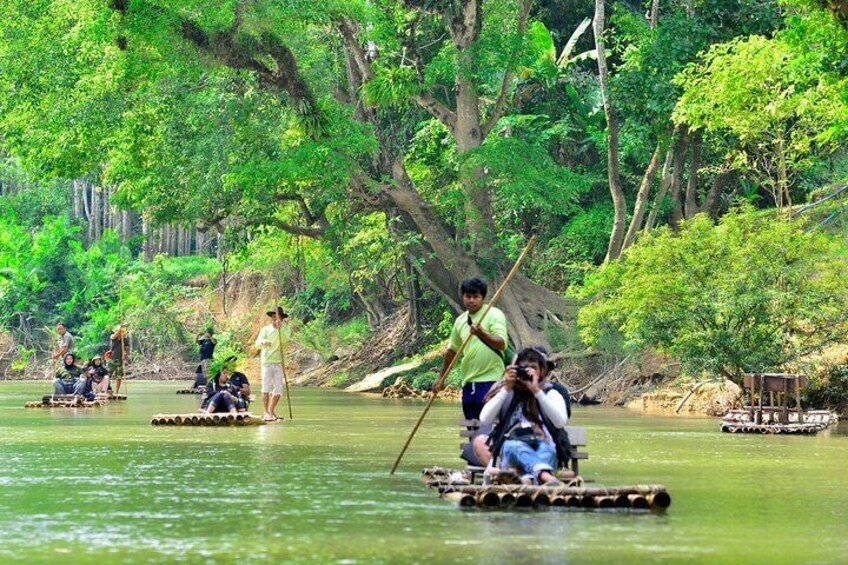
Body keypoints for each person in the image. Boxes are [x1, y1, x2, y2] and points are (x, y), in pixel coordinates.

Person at [478, 347, 570, 486]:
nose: (528, 372)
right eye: (523, 368)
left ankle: (526, 480)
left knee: (546, 450)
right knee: (514, 445)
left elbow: (560, 422)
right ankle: (545, 476)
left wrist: (536, 391)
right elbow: (484, 419)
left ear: (542, 370)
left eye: (533, 368)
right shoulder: (507, 392)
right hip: (511, 450)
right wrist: (507, 388)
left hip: (543, 447)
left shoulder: (551, 393)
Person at [440, 278, 508, 421]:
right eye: (468, 296)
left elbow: (501, 343)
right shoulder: (460, 321)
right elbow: (452, 351)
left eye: (475, 296)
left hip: (491, 381)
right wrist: (441, 378)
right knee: (473, 430)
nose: (471, 300)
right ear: (463, 296)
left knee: (490, 430)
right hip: (469, 383)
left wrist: (481, 333)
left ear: (482, 297)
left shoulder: (494, 314)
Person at [253, 306, 289, 422]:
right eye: (273, 318)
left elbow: (284, 340)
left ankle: (272, 409)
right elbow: (257, 344)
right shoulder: (265, 330)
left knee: (278, 390)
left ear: (282, 318)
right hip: (267, 362)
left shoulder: (285, 329)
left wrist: (280, 329)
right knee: (266, 387)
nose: (275, 320)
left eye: (278, 318)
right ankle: (266, 412)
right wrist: (264, 342)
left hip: (279, 362)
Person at [109, 324, 127, 394]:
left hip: (120, 361)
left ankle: (116, 391)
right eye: (119, 331)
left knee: (119, 376)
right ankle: (107, 389)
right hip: (111, 360)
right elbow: (113, 336)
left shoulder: (124, 340)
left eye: (121, 332)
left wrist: (125, 353)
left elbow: (126, 348)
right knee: (108, 375)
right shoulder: (113, 337)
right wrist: (119, 329)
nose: (120, 333)